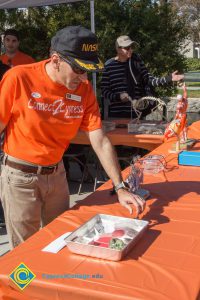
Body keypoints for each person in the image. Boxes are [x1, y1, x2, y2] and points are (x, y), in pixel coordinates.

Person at [0, 25, 145, 249]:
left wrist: (120, 187)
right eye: (78, 69)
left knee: (58, 241)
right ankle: (24, 286)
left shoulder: (84, 90)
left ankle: (50, 282)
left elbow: (100, 140)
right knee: (24, 252)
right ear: (56, 60)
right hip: (20, 178)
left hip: (57, 175)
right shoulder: (19, 78)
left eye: (87, 70)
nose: (84, 77)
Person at [101, 35, 184, 119]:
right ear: (118, 49)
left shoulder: (137, 62)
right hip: (116, 116)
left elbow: (149, 80)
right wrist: (118, 96)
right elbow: (104, 91)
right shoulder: (108, 66)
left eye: (131, 47)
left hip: (136, 115)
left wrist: (168, 78)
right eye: (127, 48)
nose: (130, 50)